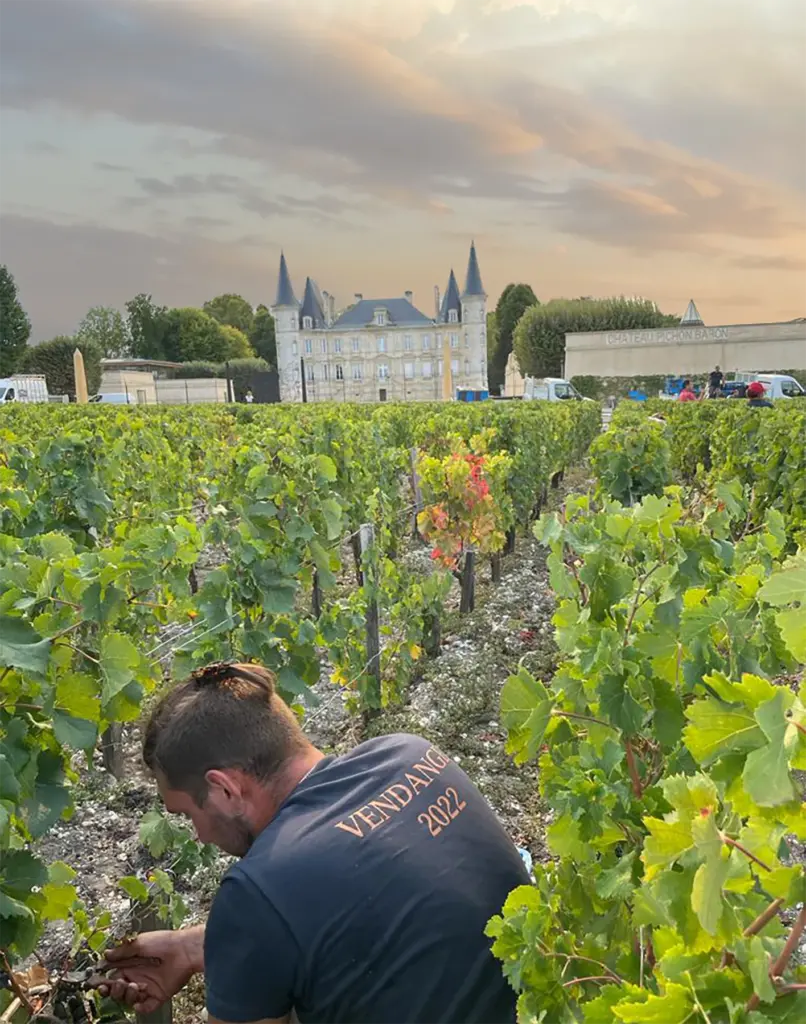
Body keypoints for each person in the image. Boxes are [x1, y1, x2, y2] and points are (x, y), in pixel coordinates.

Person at [93, 662, 530, 1024]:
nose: (199, 835)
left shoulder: (257, 890)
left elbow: (296, 906)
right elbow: (354, 912)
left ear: (225, 789)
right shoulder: (410, 754)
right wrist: (194, 948)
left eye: (189, 814)